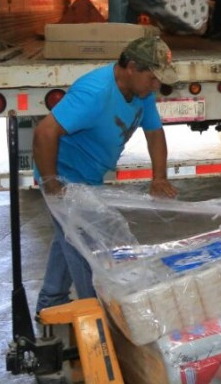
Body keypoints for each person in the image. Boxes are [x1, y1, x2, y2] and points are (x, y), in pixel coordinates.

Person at [32, 36, 179, 312]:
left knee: (68, 239)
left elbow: (155, 133)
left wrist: (159, 177)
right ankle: (100, 321)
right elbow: (44, 132)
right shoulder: (96, 93)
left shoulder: (140, 93)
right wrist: (52, 184)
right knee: (87, 254)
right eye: (153, 78)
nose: (157, 86)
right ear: (132, 67)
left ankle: (50, 303)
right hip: (64, 175)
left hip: (89, 177)